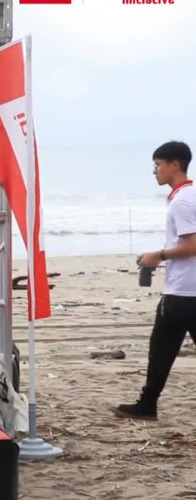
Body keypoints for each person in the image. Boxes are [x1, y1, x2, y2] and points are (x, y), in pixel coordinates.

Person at [115, 140, 196, 421]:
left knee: (161, 347)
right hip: (187, 290)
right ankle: (147, 404)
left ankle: (147, 405)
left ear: (175, 164)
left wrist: (158, 255)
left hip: (183, 292)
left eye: (158, 164)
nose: (155, 171)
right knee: (161, 347)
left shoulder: (183, 201)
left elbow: (192, 245)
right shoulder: (187, 196)